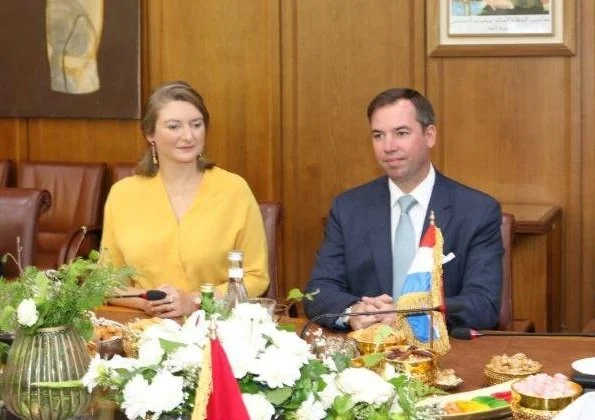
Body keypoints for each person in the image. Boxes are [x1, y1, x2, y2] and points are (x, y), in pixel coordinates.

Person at [304, 87, 503, 331]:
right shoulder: (348, 208)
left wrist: (408, 316)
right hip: (366, 354)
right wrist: (352, 311)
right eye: (378, 135)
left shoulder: (476, 211)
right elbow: (319, 290)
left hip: (441, 353)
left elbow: (482, 305)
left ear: (429, 136)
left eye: (401, 133)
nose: (388, 146)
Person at [101, 81, 269, 318]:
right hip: (145, 332)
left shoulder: (234, 190)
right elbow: (107, 283)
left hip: (217, 330)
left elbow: (256, 277)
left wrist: (196, 300)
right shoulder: (122, 195)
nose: (188, 136)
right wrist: (147, 301)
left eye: (196, 125)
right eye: (174, 126)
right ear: (151, 134)